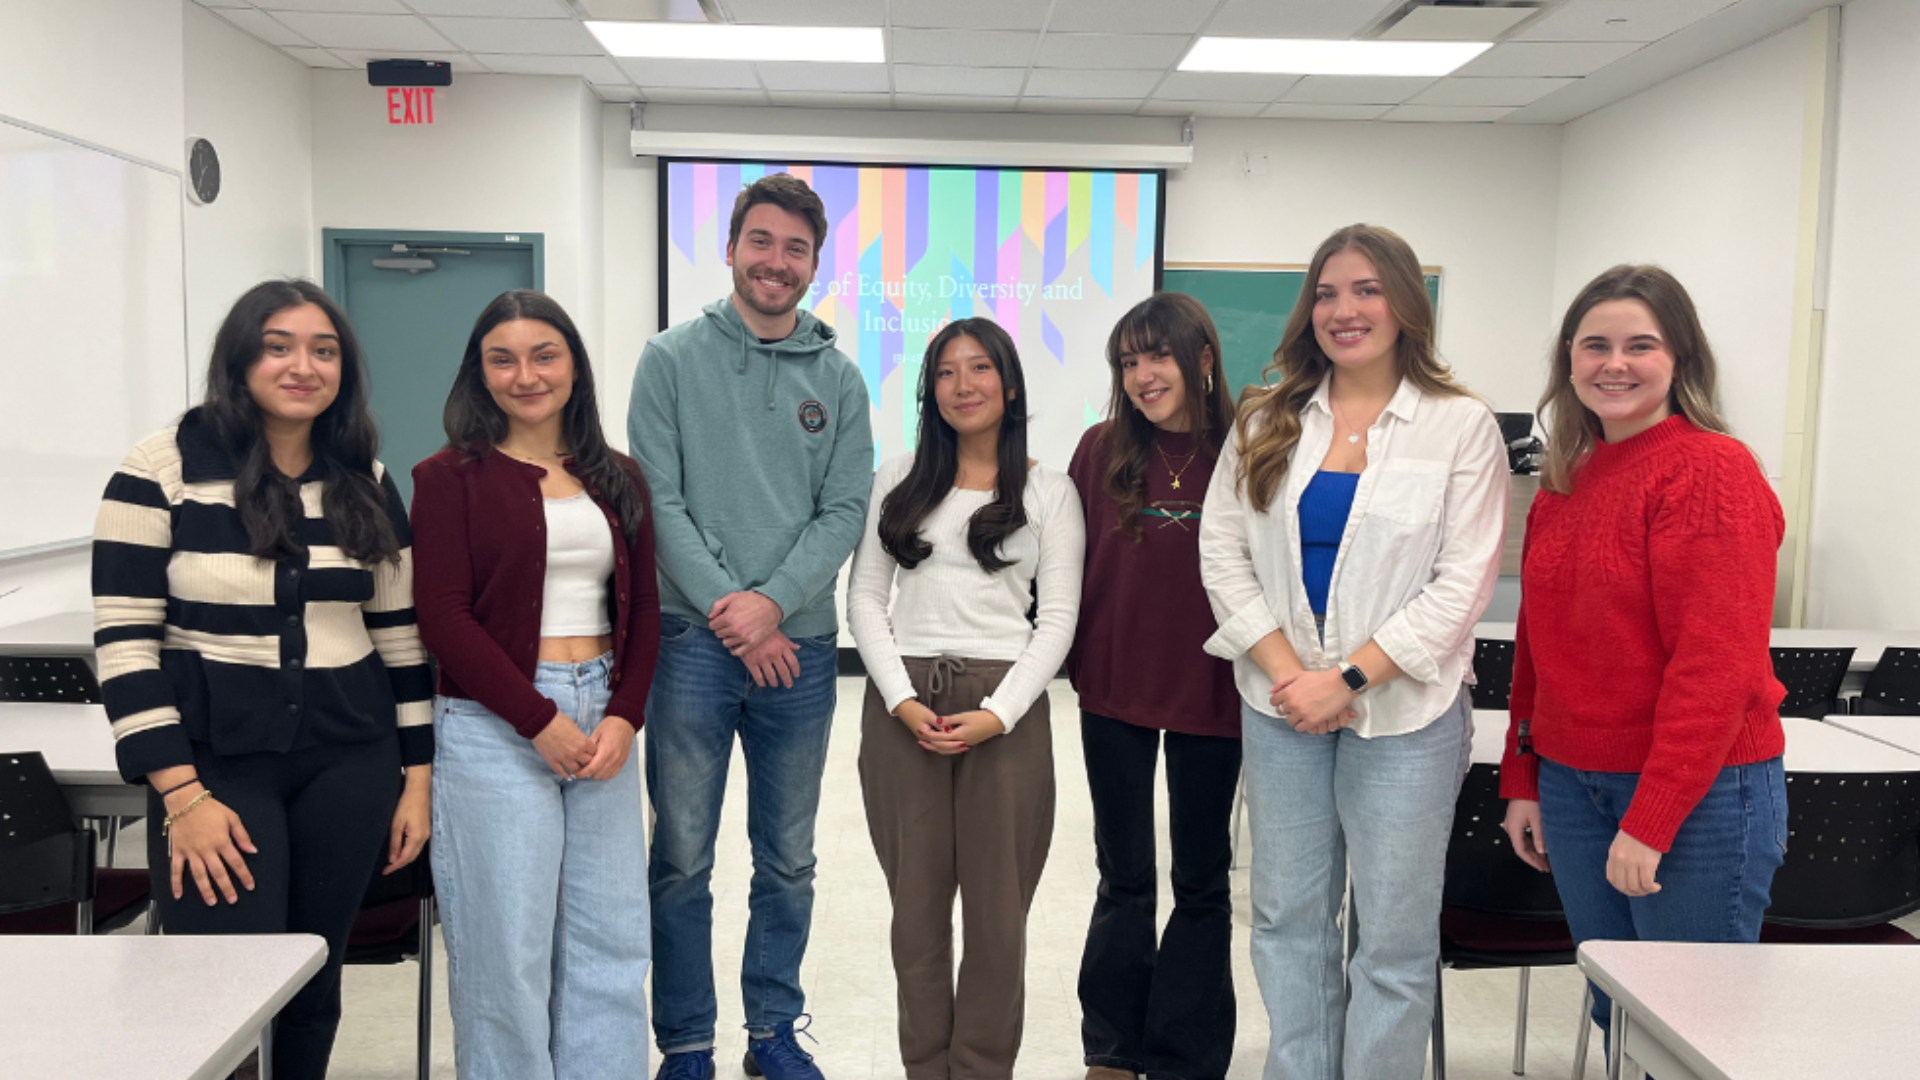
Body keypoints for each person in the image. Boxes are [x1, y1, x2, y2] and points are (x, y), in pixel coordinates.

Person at [92, 279, 432, 1080]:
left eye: (323, 350)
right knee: (222, 990)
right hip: (215, 767)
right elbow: (125, 644)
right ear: (240, 358)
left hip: (349, 760)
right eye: (278, 346)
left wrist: (417, 776)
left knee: (313, 982)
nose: (302, 366)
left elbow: (401, 639)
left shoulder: (364, 476)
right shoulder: (161, 467)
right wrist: (183, 796)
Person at [1198, 224, 1509, 1079]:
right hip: (1281, 707)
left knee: (1393, 941)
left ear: (1406, 304)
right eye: (1328, 293)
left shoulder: (1460, 426)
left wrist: (1348, 679)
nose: (1345, 310)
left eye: (1367, 290)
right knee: (1286, 920)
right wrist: (1291, 675)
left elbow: (1461, 586)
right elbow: (1221, 553)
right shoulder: (1267, 417)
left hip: (1406, 715)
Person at [1499, 265, 1787, 1045]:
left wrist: (1652, 818)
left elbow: (1717, 668)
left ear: (1681, 359)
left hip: (1699, 799)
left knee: (1690, 1026)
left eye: (1640, 345)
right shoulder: (1566, 477)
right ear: (1568, 361)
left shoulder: (1710, 470)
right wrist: (1524, 772)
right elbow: (1537, 643)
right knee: (1616, 1011)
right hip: (1573, 787)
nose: (1613, 363)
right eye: (1594, 345)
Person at [628, 172, 874, 1080]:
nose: (777, 262)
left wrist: (773, 606)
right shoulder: (670, 359)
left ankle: (772, 1033)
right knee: (682, 860)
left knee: (788, 861)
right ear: (731, 248)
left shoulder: (840, 378)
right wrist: (740, 614)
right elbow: (658, 500)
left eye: (796, 248)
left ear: (814, 262)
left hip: (801, 653)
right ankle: (686, 1042)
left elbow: (844, 510)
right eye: (762, 242)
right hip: (692, 648)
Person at [410, 291, 659, 1079]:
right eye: (503, 358)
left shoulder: (618, 476)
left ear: (575, 366)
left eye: (544, 355)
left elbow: (644, 610)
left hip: (601, 721)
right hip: (496, 725)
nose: (526, 375)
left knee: (610, 939)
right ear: (477, 374)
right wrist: (536, 718)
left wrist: (624, 716)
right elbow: (442, 618)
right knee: (505, 948)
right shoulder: (448, 477)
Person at [847, 317, 1084, 1080]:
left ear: (1009, 384)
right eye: (946, 373)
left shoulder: (1050, 491)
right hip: (902, 707)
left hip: (1006, 711)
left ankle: (981, 1070)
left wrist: (998, 714)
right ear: (931, 390)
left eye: (979, 369)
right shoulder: (899, 477)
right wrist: (899, 700)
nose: (963, 386)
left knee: (995, 919)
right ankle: (925, 1068)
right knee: (915, 918)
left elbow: (1058, 619)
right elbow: (865, 600)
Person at [1067, 293, 1241, 1080]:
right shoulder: (1098, 449)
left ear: (1203, 359)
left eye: (1157, 356)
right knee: (1123, 875)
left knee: (1202, 879)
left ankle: (1185, 1055)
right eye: (1128, 362)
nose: (1142, 375)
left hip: (1219, 691)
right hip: (1113, 686)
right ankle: (1112, 1046)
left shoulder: (1251, 446)